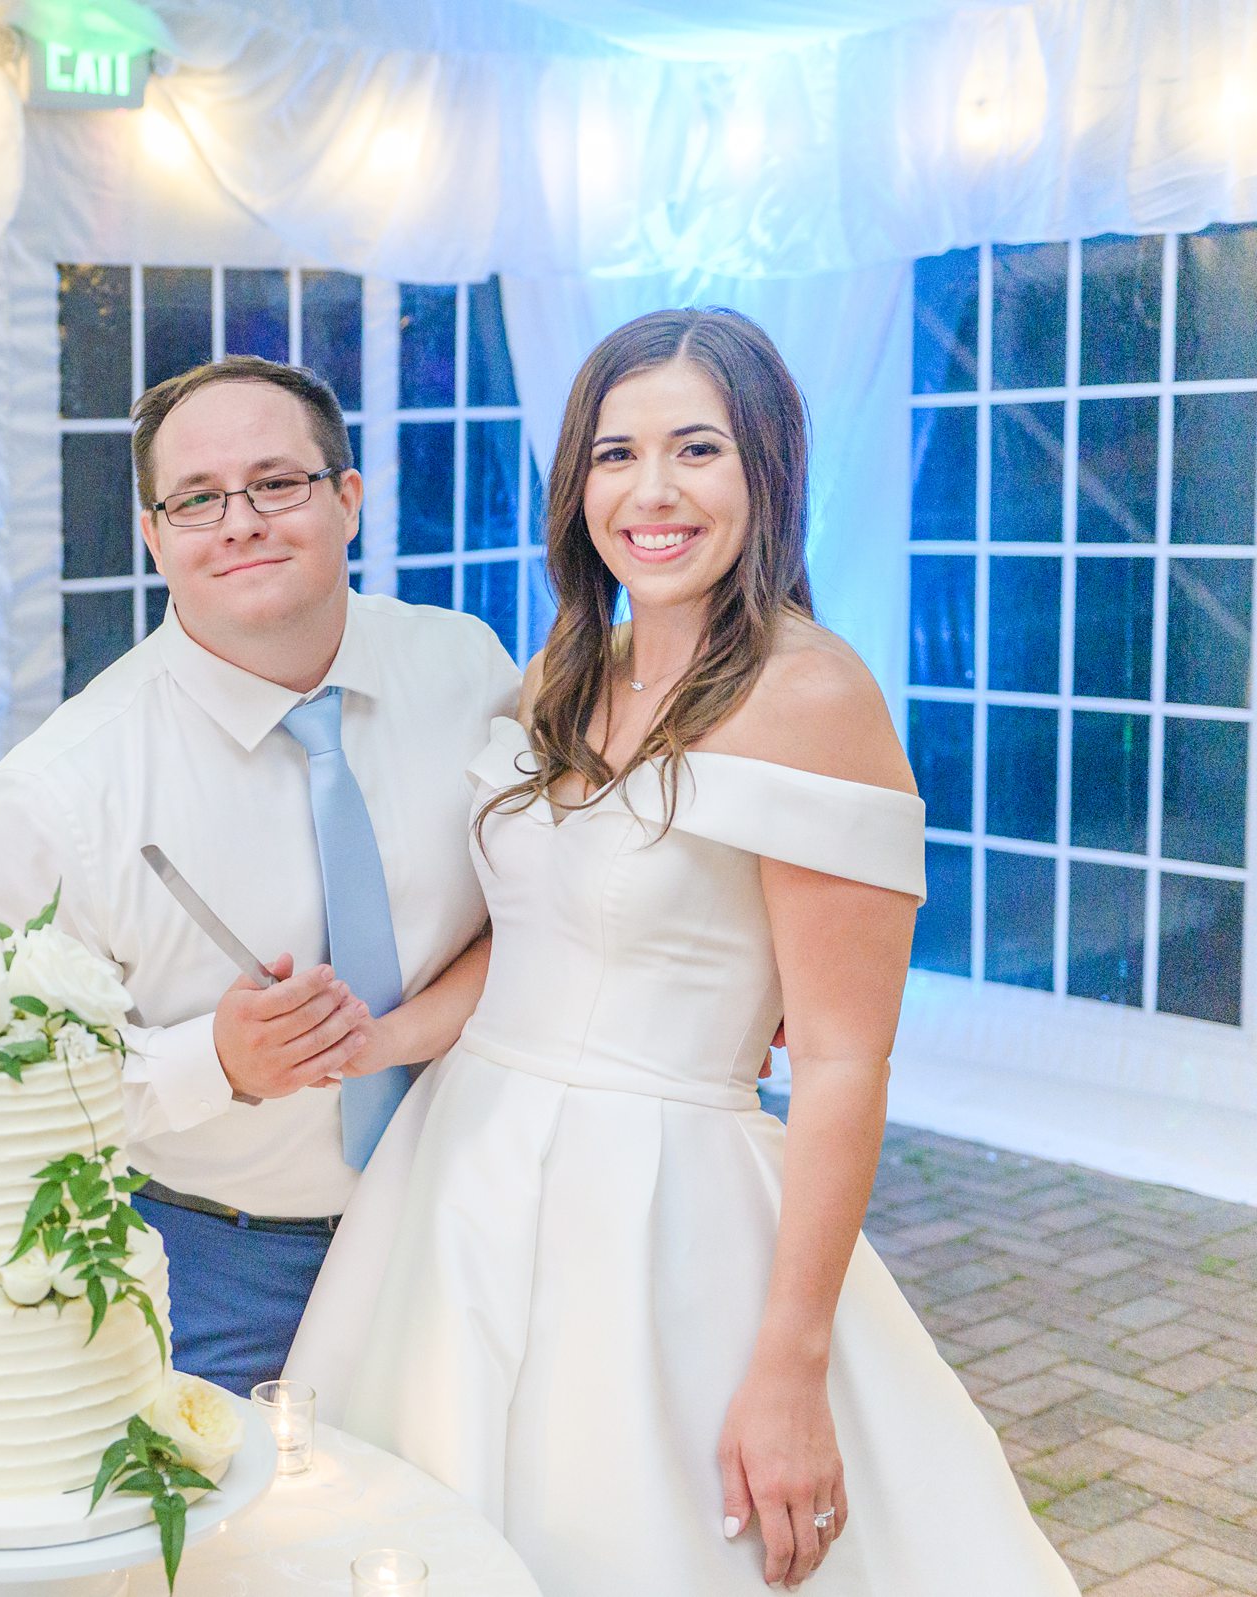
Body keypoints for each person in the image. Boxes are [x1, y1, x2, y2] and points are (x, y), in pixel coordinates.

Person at [285, 309, 1077, 1594]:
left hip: (660, 1214)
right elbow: (535, 946)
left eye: (696, 449)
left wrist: (789, 1361)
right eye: (615, 454)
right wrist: (376, 1037)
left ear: (766, 472)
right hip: (459, 1177)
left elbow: (838, 1061)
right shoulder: (566, 669)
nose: (651, 492)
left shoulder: (814, 698)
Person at [0, 354, 517, 1396]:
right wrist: (213, 1060)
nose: (241, 520)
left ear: (348, 499)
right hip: (229, 1269)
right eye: (198, 499)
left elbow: (543, 906)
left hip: (478, 1202)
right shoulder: (59, 795)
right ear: (155, 535)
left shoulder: (469, 668)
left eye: (278, 482)